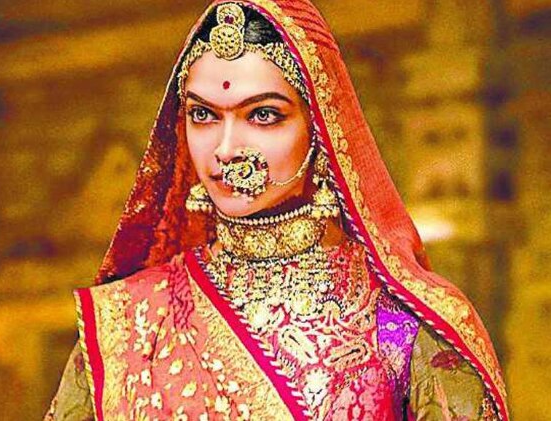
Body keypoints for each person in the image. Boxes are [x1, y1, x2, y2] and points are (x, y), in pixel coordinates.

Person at [44, 1, 508, 420]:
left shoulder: (404, 325)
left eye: (262, 115)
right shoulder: (130, 324)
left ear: (321, 127)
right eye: (203, 115)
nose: (226, 149)